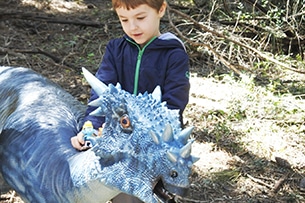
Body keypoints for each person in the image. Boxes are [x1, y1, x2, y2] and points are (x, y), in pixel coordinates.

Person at [71, 0, 190, 202]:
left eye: (141, 18)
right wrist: (90, 126)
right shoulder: (116, 49)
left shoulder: (174, 53)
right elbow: (102, 94)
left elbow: (174, 104)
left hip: (156, 141)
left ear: (161, 9)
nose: (132, 27)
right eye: (124, 19)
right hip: (121, 138)